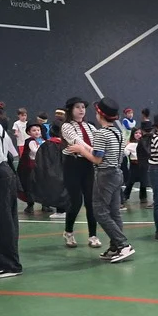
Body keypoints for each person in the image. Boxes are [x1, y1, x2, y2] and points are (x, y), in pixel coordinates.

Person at [64, 97, 135, 263]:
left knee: (100, 212)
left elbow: (97, 159)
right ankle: (115, 246)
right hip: (117, 173)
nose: (82, 110)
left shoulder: (101, 133)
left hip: (105, 175)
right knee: (114, 212)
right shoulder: (117, 132)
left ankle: (123, 244)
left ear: (99, 115)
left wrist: (81, 149)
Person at [61, 97, 102, 250]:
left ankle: (93, 235)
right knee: (76, 201)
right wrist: (94, 152)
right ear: (70, 110)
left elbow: (99, 140)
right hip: (72, 165)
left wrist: (98, 151)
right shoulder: (66, 126)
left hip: (88, 164)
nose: (81, 110)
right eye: (77, 107)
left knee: (91, 201)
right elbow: (77, 142)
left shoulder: (90, 126)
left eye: (83, 107)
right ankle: (68, 232)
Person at [0, 119, 21, 278]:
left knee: (4, 221)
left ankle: (9, 265)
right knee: (6, 220)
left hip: (1, 174)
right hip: (5, 172)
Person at [17, 123, 43, 214]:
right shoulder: (30, 141)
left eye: (38, 130)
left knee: (41, 184)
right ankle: (30, 205)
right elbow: (35, 151)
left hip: (38, 166)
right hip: (29, 167)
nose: (37, 132)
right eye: (34, 130)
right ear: (29, 132)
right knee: (29, 186)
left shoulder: (40, 140)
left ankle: (45, 205)